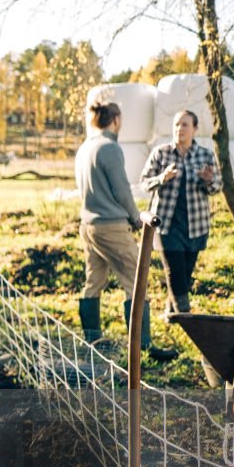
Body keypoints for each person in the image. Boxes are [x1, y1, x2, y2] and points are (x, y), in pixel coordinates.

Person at [74, 101, 176, 360]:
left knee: (93, 282)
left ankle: (92, 341)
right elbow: (121, 191)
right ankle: (141, 348)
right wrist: (135, 218)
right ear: (116, 119)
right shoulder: (110, 148)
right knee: (135, 280)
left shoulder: (86, 147)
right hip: (111, 225)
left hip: (89, 225)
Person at [141, 109, 223, 316]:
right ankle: (185, 318)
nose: (179, 129)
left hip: (195, 226)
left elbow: (217, 187)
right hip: (167, 226)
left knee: (185, 275)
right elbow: (143, 183)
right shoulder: (161, 153)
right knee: (174, 272)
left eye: (185, 125)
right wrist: (162, 178)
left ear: (195, 129)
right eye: (177, 124)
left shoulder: (205, 155)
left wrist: (208, 180)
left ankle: (171, 312)